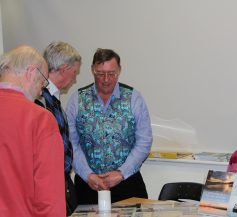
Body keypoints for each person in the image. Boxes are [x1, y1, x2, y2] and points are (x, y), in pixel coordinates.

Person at [66, 48, 153, 204]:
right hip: (88, 186)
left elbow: (144, 141)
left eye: (111, 73)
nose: (106, 79)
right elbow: (72, 143)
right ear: (92, 69)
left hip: (127, 183)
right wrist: (87, 174)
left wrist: (121, 173)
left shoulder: (134, 98)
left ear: (119, 70)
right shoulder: (76, 100)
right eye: (100, 73)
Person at [0, 45, 65, 216]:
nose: (41, 91)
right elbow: (50, 197)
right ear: (30, 72)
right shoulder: (40, 119)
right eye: (43, 82)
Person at [35, 41, 81, 215]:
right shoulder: (39, 100)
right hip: (48, 184)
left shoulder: (53, 99)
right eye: (74, 72)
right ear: (63, 69)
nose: (75, 78)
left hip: (62, 181)